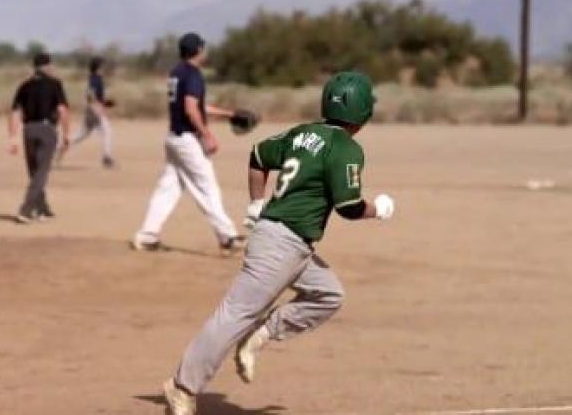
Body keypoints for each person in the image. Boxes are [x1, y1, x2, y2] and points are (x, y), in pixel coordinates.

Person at [162, 71, 396, 415]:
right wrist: (380, 209)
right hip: (282, 244)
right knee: (236, 313)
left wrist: (257, 203)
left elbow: (258, 155)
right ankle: (182, 387)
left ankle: (261, 334)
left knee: (328, 295)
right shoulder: (346, 148)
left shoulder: (303, 133)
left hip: (289, 242)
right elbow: (348, 207)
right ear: (362, 113)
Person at [131, 32, 245, 255]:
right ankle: (227, 237)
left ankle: (147, 236)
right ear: (198, 50)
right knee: (207, 187)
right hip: (187, 139)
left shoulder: (177, 72)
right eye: (203, 48)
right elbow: (191, 108)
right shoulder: (193, 74)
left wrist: (228, 114)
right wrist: (206, 135)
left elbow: (196, 106)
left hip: (174, 138)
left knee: (168, 189)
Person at [8, 52, 71, 223]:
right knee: (41, 172)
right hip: (47, 129)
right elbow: (62, 110)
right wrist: (66, 133)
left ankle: (42, 208)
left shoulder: (24, 86)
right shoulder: (55, 84)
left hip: (28, 130)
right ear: (49, 66)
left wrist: (12, 137)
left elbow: (15, 112)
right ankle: (26, 209)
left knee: (35, 171)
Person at [58, 56, 115, 168]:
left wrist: (106, 103)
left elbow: (94, 95)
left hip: (93, 108)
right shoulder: (95, 78)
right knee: (107, 131)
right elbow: (90, 93)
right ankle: (106, 157)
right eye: (103, 65)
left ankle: (58, 149)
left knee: (81, 135)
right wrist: (96, 106)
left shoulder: (95, 78)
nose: (105, 67)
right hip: (94, 109)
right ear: (98, 67)